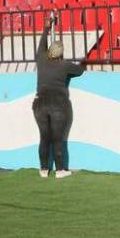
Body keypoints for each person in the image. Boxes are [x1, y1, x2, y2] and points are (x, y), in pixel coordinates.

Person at [33, 11, 86, 178]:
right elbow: (79, 71)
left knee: (44, 137)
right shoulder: (64, 65)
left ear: (49, 51)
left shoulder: (41, 58)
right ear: (61, 53)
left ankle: (43, 169)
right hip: (58, 104)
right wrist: (82, 64)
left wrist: (47, 27)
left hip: (40, 103)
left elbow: (41, 44)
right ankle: (61, 170)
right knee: (58, 139)